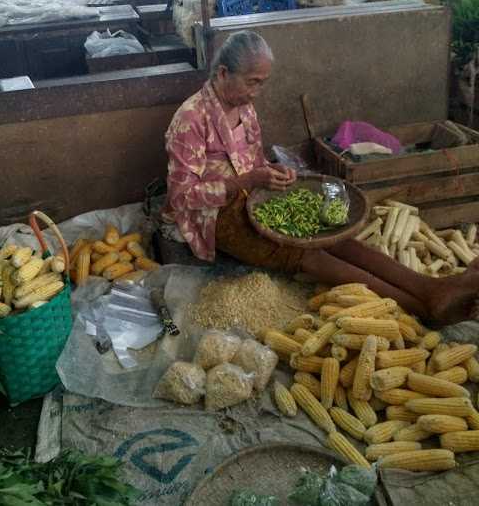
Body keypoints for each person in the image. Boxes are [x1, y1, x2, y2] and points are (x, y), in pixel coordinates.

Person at [164, 31, 479, 327]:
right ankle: (421, 308)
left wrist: (273, 171)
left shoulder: (245, 108)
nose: (256, 92)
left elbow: (256, 160)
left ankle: (430, 287)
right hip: (216, 214)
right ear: (222, 74)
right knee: (307, 254)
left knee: (336, 236)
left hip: (255, 195)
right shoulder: (191, 119)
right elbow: (182, 196)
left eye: (262, 83)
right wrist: (247, 181)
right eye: (252, 82)